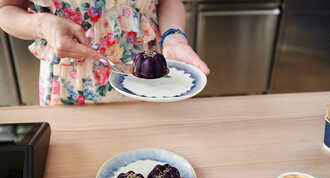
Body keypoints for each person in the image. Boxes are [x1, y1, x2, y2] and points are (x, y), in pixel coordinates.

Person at [0, 0, 210, 105]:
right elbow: (6, 9)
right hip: (69, 86)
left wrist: (174, 37)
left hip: (147, 80)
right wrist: (42, 24)